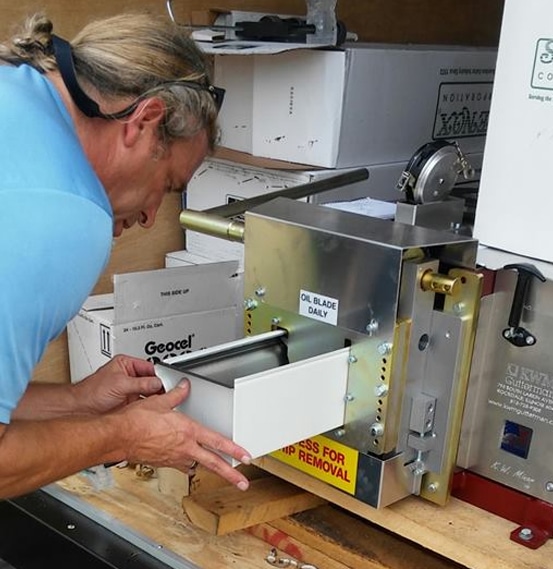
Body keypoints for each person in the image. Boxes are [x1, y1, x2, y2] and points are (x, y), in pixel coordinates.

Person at [0, 12, 252, 499]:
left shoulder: (15, 89)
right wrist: (126, 435)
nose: (152, 216)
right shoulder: (65, 215)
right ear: (144, 121)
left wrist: (78, 401)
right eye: (167, 185)